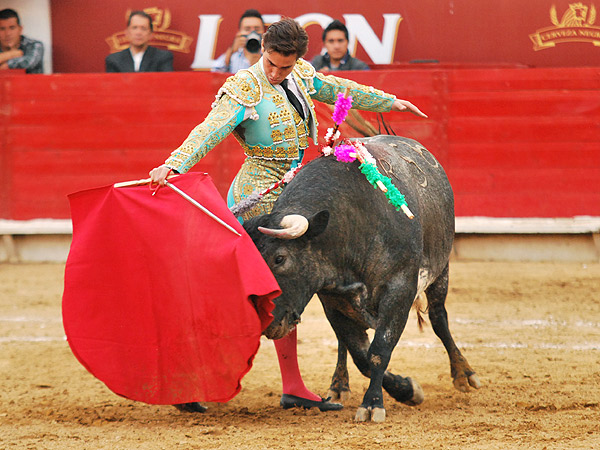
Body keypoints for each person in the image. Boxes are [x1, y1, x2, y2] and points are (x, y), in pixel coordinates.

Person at [150, 18, 426, 412]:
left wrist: (388, 101)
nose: (277, 73)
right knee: (236, 296)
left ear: (296, 59)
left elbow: (337, 89)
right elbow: (210, 130)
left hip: (294, 191)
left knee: (286, 290)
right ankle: (189, 382)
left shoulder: (300, 74)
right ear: (263, 49)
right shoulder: (244, 87)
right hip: (257, 199)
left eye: (285, 66)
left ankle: (293, 386)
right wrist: (174, 165)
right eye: (271, 63)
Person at [105, 11, 173, 73]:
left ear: (151, 34)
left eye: (143, 28)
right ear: (127, 32)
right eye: (134, 28)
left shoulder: (163, 57)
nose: (138, 33)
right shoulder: (114, 60)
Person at [212, 9, 265, 73]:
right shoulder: (233, 56)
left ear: (263, 32)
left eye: (257, 29)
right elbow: (215, 72)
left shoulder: (268, 56)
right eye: (247, 29)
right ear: (239, 32)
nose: (252, 33)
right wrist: (232, 50)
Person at [0, 9, 43, 74]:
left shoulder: (34, 45)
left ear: (20, 29)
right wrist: (12, 54)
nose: (7, 33)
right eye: (2, 29)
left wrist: (7, 64)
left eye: (12, 28)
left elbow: (28, 63)